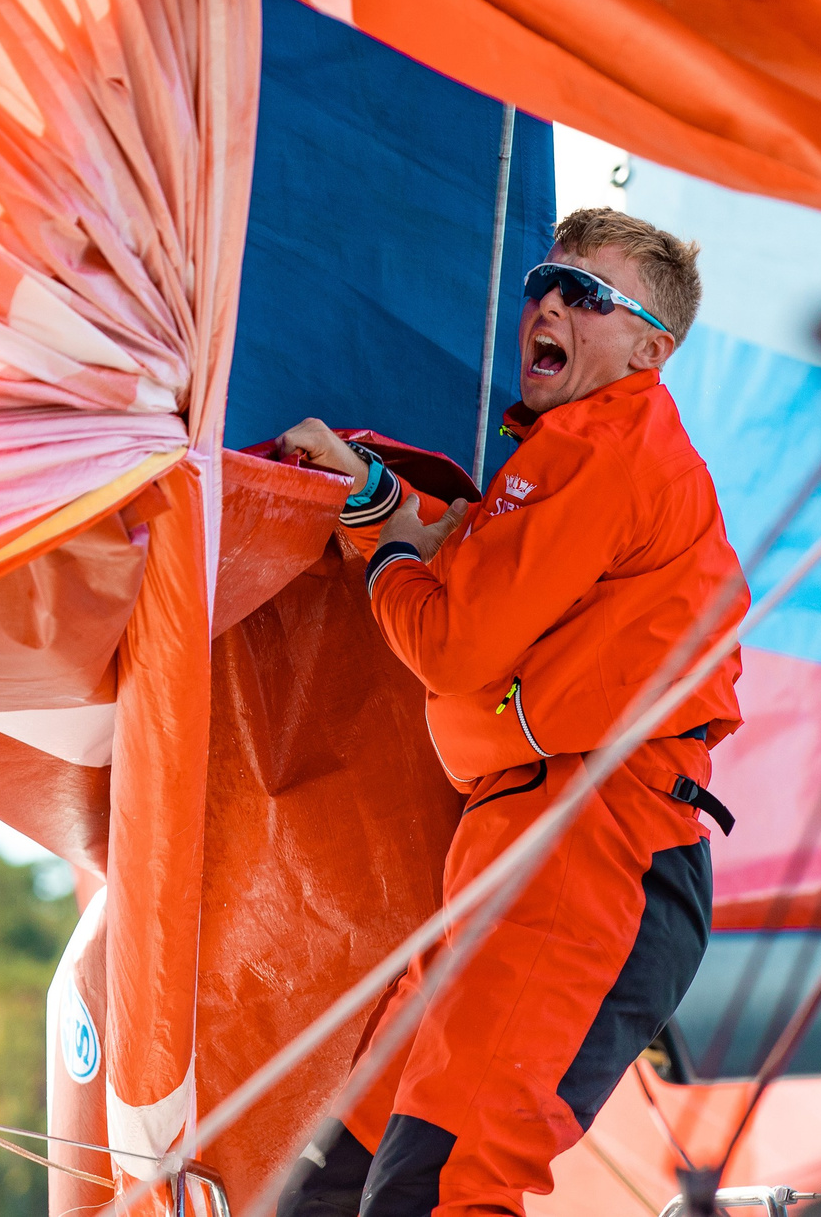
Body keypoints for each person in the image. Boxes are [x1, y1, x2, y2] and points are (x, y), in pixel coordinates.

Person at [272, 207, 747, 1217]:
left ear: (646, 348)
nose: (547, 300)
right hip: (526, 841)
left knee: (445, 1186)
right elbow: (474, 564)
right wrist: (379, 502)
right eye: (542, 282)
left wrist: (378, 545)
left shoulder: (604, 444)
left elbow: (452, 645)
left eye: (584, 294)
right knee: (333, 1185)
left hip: (594, 848)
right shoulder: (570, 458)